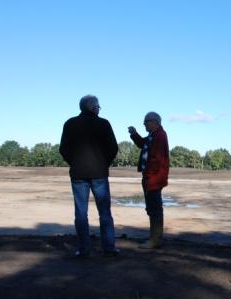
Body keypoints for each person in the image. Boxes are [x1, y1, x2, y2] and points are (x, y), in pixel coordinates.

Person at [59, 95, 119, 257]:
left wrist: (74, 162)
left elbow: (63, 149)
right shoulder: (103, 124)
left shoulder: (70, 124)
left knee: (80, 213)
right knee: (105, 213)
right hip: (99, 174)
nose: (99, 108)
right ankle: (109, 248)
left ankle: (84, 249)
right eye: (98, 106)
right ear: (91, 107)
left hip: (78, 174)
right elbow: (113, 148)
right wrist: (103, 163)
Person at [128, 111, 169, 249]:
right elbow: (142, 144)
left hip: (154, 178)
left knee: (155, 208)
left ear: (154, 122)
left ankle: (155, 239)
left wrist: (150, 176)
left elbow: (156, 160)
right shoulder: (153, 136)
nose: (144, 124)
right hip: (150, 177)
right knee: (152, 207)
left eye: (146, 121)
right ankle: (154, 237)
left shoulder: (160, 136)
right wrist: (134, 134)